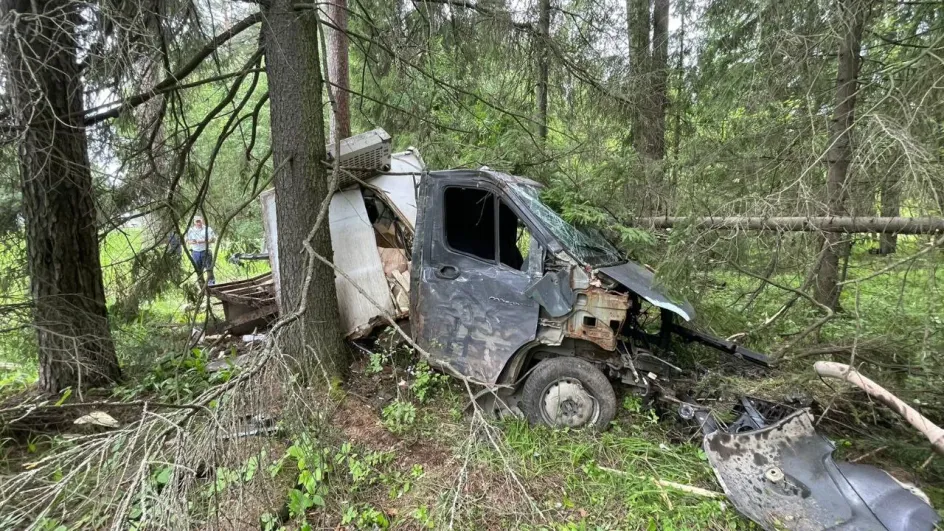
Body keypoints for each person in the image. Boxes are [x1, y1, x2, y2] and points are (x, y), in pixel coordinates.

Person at [186, 215, 216, 285]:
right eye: (197, 222)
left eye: (200, 221)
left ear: (202, 220)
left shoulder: (208, 229)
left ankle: (211, 283)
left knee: (208, 268)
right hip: (195, 252)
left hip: (205, 251)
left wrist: (203, 241)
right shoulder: (191, 230)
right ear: (194, 222)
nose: (199, 223)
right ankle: (201, 283)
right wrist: (192, 242)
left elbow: (213, 240)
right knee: (198, 269)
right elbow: (187, 240)